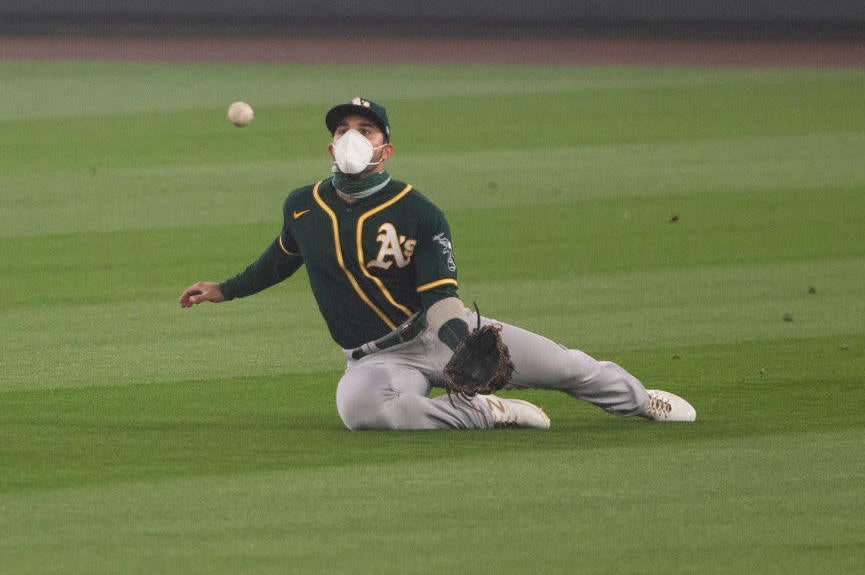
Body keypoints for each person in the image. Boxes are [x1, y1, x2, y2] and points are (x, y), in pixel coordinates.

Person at [179, 97, 696, 430]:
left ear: (387, 148)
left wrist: (462, 347)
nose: (353, 136)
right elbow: (280, 260)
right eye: (344, 128)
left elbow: (440, 299)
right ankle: (485, 412)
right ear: (331, 145)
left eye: (367, 128)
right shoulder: (303, 204)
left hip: (437, 333)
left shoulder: (419, 211)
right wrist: (225, 288)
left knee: (564, 366)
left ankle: (638, 399)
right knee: (361, 411)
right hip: (374, 360)